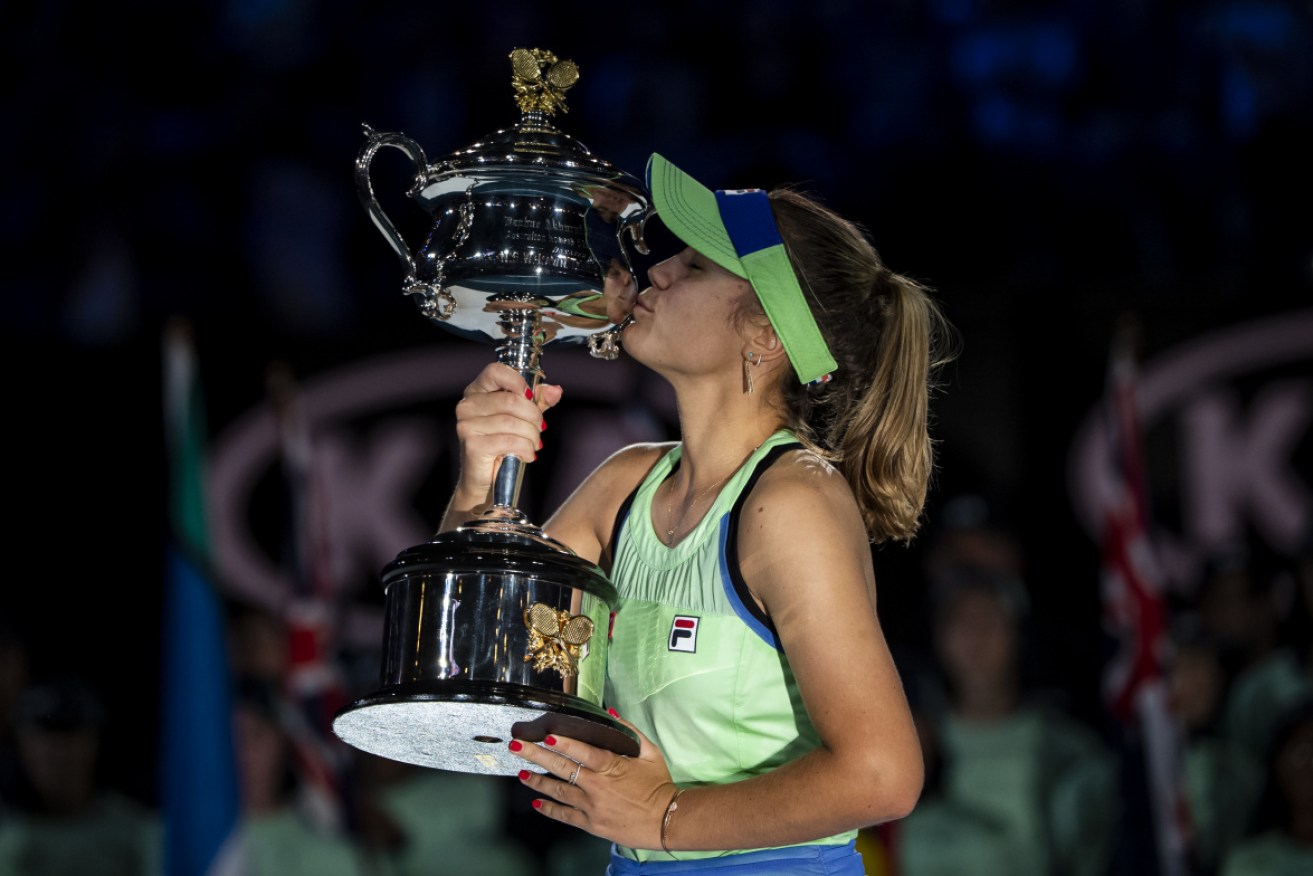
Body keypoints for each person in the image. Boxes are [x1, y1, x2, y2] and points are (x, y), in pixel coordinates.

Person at [440, 152, 955, 873]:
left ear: (765, 335)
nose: (656, 273)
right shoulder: (626, 481)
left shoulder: (792, 501)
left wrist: (664, 816)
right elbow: (474, 653)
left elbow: (883, 775)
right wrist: (478, 479)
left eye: (696, 267)